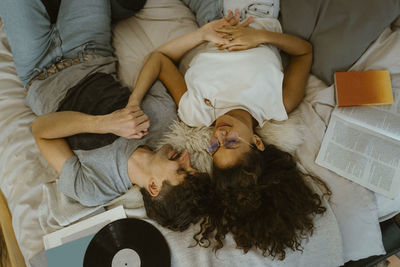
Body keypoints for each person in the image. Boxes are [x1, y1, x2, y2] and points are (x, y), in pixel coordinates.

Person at [0, 0, 228, 231]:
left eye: (180, 170)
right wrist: (134, 101)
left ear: (153, 187)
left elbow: (40, 130)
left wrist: (105, 123)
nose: (187, 158)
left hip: (39, 71)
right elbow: (160, 62)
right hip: (87, 47)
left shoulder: (94, 188)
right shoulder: (162, 124)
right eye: (191, 166)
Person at [133, 0, 330, 258]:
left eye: (214, 146)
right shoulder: (278, 104)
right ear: (258, 143)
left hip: (209, 17)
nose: (220, 135)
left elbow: (160, 60)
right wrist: (260, 36)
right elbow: (304, 52)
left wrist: (205, 33)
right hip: (256, 8)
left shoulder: (195, 113)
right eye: (232, 143)